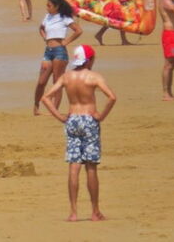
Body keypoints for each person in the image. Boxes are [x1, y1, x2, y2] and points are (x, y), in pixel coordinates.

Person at [40, 45, 117, 222]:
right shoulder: (93, 76)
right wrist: (101, 116)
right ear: (89, 60)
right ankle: (95, 211)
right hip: (89, 120)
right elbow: (112, 97)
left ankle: (73, 212)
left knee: (74, 167)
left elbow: (45, 98)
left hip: (72, 119)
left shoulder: (66, 77)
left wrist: (60, 116)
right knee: (90, 166)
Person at [34, 0, 82, 116]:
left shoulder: (64, 18)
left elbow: (78, 30)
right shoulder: (47, 17)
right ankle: (36, 106)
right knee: (41, 82)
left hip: (60, 51)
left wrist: (67, 41)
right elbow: (41, 28)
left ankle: (54, 110)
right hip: (48, 51)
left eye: (49, 5)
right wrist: (44, 36)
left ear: (57, 7)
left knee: (57, 81)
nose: (47, 8)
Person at [160, 0, 174, 101]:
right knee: (169, 64)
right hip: (170, 34)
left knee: (173, 64)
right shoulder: (165, 1)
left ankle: (170, 92)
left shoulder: (173, 1)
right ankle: (166, 93)